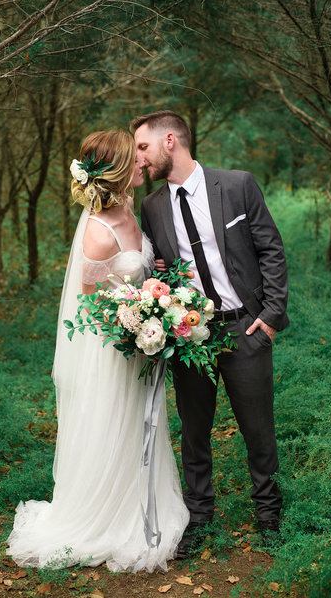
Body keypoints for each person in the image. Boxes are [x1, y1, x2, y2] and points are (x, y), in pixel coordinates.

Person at [6, 130, 189, 572]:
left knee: (141, 426)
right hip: (113, 352)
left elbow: (136, 265)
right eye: (134, 159)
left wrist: (155, 277)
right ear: (117, 171)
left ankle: (144, 504)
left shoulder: (129, 208)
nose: (141, 164)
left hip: (141, 341)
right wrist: (136, 321)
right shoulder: (96, 233)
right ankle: (106, 518)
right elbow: (88, 305)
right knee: (115, 425)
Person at [131, 110, 289, 556]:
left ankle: (269, 517)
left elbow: (270, 248)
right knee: (194, 431)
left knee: (258, 430)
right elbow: (162, 263)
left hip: (245, 327)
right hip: (189, 333)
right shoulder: (152, 206)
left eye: (142, 147)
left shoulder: (237, 184)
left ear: (169, 141)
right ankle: (198, 519)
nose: (138, 159)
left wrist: (272, 316)